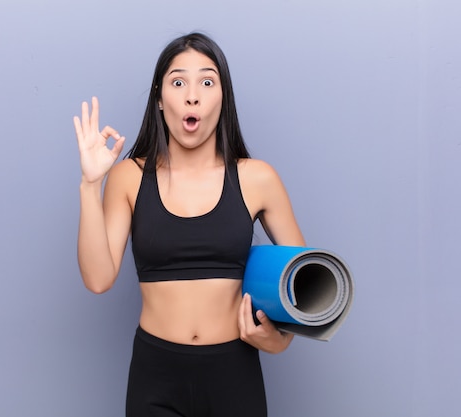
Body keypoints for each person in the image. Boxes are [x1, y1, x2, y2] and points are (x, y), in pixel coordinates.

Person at [74, 32, 305, 417]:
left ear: (222, 98)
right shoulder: (128, 177)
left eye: (207, 82)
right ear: (160, 100)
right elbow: (98, 280)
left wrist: (279, 342)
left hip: (235, 375)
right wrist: (90, 183)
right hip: (156, 375)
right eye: (178, 82)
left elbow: (304, 287)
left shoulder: (257, 178)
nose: (192, 95)